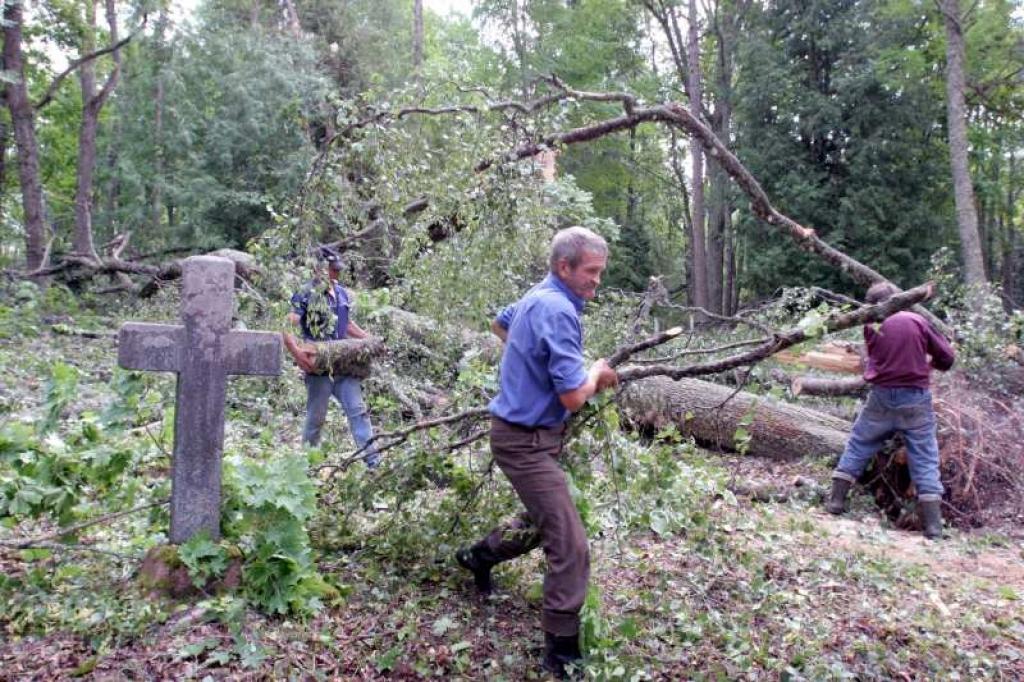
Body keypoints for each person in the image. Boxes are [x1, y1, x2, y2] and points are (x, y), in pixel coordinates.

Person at [455, 226, 619, 679]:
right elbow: (573, 398)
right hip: (524, 442)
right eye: (591, 272)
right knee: (570, 543)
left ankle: (478, 556)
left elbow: (500, 322)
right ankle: (561, 652)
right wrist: (596, 373)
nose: (596, 281)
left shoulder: (540, 294)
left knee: (546, 519)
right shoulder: (558, 309)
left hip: (532, 439)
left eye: (600, 272)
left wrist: (530, 363)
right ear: (563, 266)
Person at [826, 282, 955, 538]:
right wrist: (932, 364)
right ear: (898, 299)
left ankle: (836, 502)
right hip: (915, 398)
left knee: (859, 444)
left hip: (881, 397)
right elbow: (948, 358)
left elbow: (877, 359)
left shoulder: (871, 324)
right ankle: (933, 526)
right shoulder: (915, 320)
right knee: (925, 457)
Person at [288, 247, 380, 468]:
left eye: (337, 270)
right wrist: (299, 355)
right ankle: (307, 466)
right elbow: (286, 325)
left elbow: (347, 325)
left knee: (359, 413)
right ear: (319, 268)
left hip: (345, 368)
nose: (336, 274)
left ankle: (374, 464)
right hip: (319, 369)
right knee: (316, 420)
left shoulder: (342, 294)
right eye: (332, 269)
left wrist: (372, 340)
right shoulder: (306, 293)